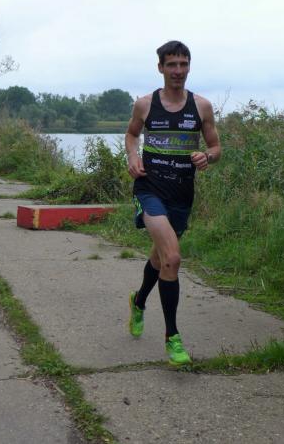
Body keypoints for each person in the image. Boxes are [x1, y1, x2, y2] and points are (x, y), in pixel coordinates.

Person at [124, 40, 221, 366]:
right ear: (161, 68)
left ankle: (138, 302)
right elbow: (131, 135)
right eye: (171, 65)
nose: (178, 71)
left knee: (161, 258)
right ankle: (173, 338)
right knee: (174, 258)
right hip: (149, 189)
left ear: (189, 67)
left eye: (183, 64)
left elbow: (216, 147)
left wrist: (207, 157)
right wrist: (133, 156)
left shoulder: (202, 107)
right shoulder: (145, 104)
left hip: (182, 194)